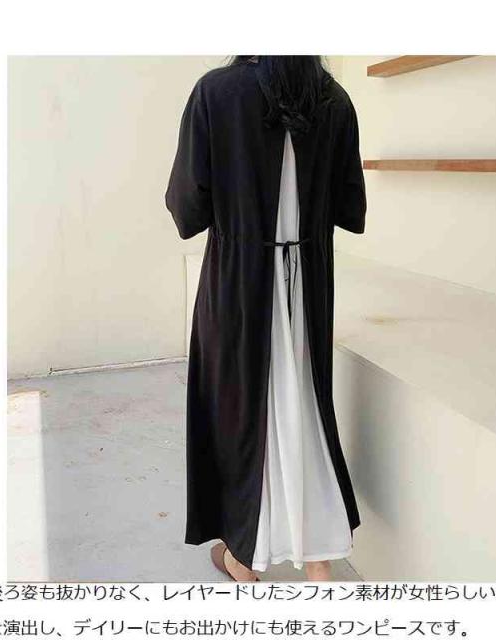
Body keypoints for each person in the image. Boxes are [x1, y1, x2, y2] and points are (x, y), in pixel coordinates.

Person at [165, 55, 367, 581]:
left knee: (238, 414)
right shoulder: (334, 99)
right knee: (303, 406)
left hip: (239, 282)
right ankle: (318, 561)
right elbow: (349, 205)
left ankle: (243, 556)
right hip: (307, 283)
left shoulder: (215, 92)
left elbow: (187, 206)